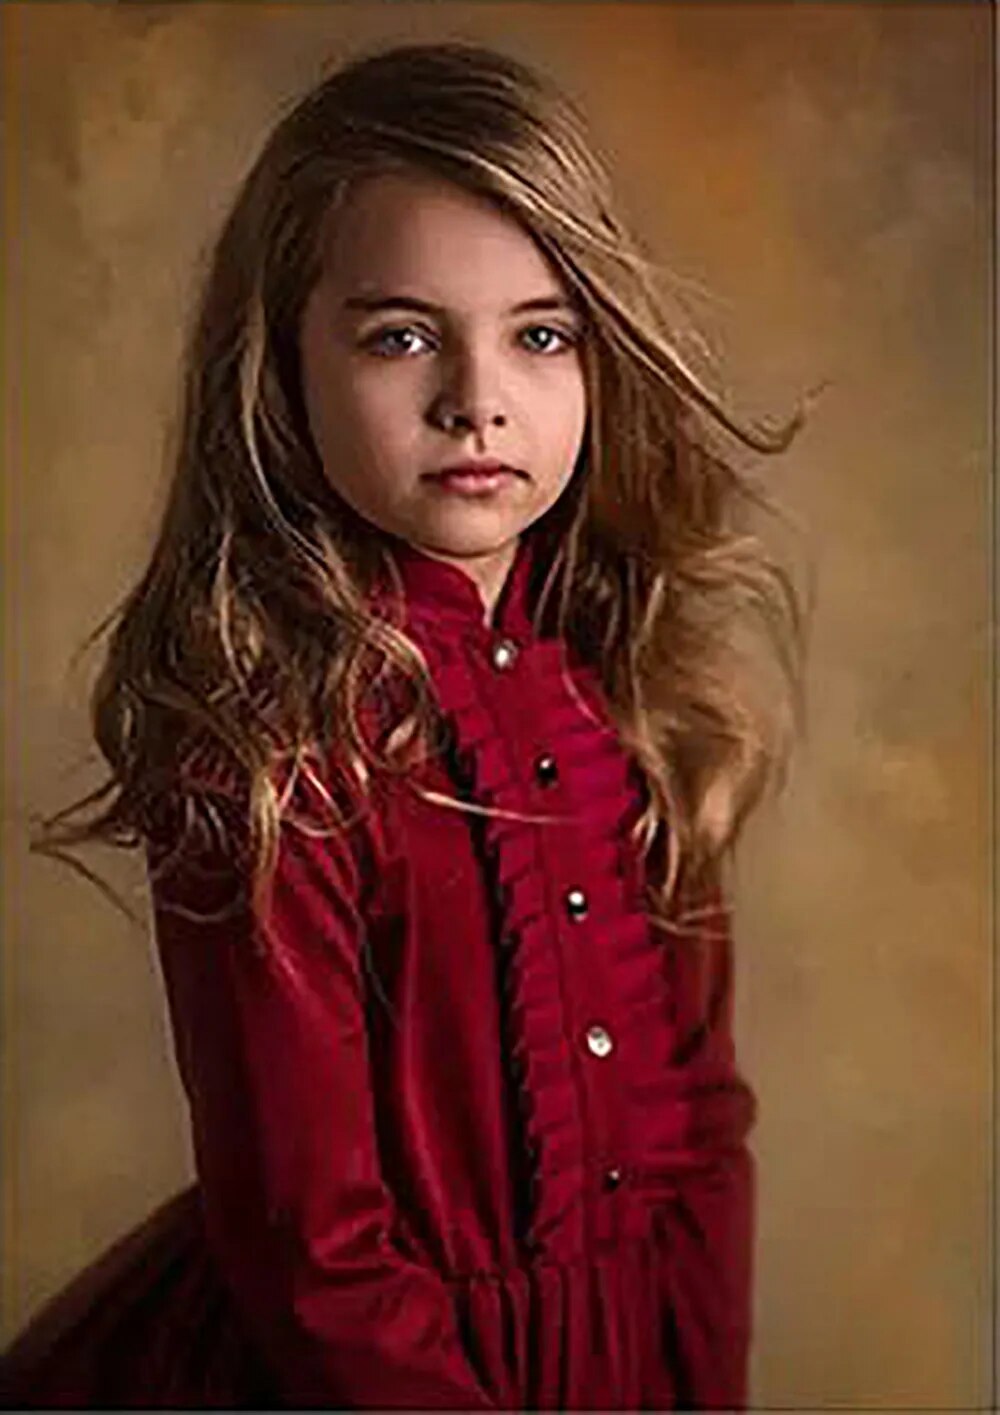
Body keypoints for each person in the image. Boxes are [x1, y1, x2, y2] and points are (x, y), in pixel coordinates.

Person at [1, 39, 808, 1411]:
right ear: (281, 372)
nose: (474, 396)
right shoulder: (267, 756)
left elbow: (701, 1138)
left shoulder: (640, 707)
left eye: (539, 333)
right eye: (399, 334)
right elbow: (312, 1251)